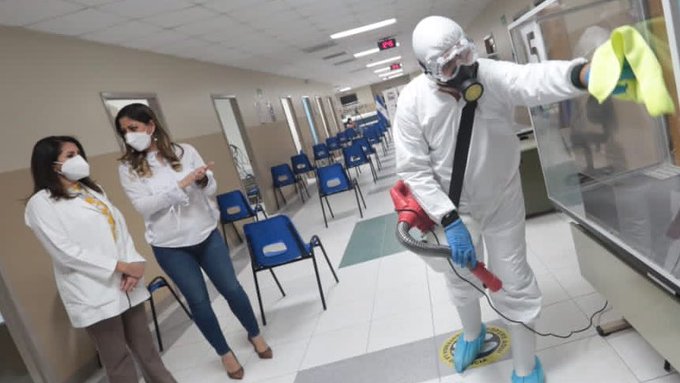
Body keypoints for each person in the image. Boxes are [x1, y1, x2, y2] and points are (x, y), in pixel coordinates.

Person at [394, 16, 604, 383]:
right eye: (447, 66)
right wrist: (448, 218)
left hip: (502, 200)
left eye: (463, 55)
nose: (461, 70)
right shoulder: (412, 103)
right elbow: (413, 169)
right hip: (453, 210)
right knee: (461, 278)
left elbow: (533, 80)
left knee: (513, 281)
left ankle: (525, 368)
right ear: (427, 70)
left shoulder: (490, 76)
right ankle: (474, 335)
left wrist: (583, 75)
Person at [114, 103, 271, 380]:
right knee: (198, 302)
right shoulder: (128, 168)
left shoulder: (184, 151)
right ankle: (224, 353)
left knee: (232, 288)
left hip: (205, 233)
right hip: (170, 245)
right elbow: (144, 207)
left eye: (133, 128)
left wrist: (201, 181)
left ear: (150, 126)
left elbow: (211, 185)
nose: (128, 135)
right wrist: (181, 185)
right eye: (123, 131)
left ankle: (255, 334)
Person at [25, 136, 176, 383]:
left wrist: (133, 265)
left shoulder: (91, 190)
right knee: (118, 360)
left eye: (79, 153)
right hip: (93, 290)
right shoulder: (40, 204)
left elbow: (119, 230)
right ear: (52, 165)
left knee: (147, 350)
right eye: (70, 155)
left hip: (127, 281)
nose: (79, 159)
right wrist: (120, 267)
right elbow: (64, 251)